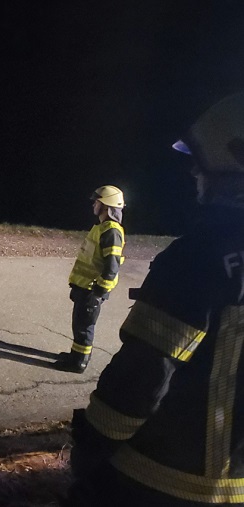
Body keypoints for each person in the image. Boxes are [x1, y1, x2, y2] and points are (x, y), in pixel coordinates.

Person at [65, 92, 244, 507]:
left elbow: (142, 376)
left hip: (165, 479)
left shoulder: (198, 257)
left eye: (200, 161)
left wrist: (91, 442)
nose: (194, 171)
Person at [54, 185, 126, 374]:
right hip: (85, 287)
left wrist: (99, 292)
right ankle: (75, 355)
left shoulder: (112, 231)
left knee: (85, 327)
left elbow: (112, 267)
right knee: (79, 325)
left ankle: (79, 363)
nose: (94, 205)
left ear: (106, 206)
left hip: (93, 290)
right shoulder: (101, 228)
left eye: (97, 202)